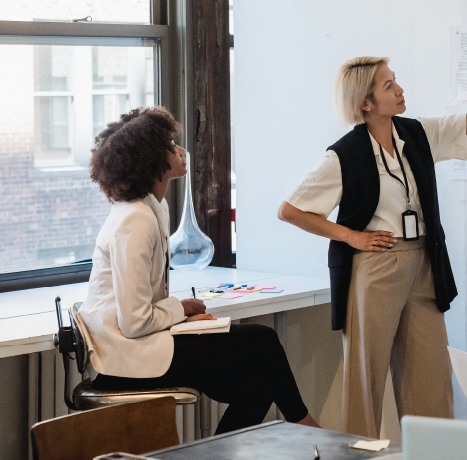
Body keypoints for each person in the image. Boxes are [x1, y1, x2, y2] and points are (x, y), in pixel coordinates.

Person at [278, 56, 467, 437]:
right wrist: (353, 237)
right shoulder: (343, 155)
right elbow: (290, 210)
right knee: (365, 379)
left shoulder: (417, 133)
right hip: (375, 267)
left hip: (424, 263)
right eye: (388, 86)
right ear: (365, 102)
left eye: (396, 81)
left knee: (430, 376)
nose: (400, 90)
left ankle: (432, 451)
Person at [79, 106, 319, 435]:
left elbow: (142, 309)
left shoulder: (150, 210)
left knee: (259, 386)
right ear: (150, 159)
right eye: (170, 146)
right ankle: (308, 429)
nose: (181, 151)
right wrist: (180, 310)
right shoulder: (135, 220)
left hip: (140, 344)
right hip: (126, 357)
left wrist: (183, 315)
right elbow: (135, 322)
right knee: (263, 339)